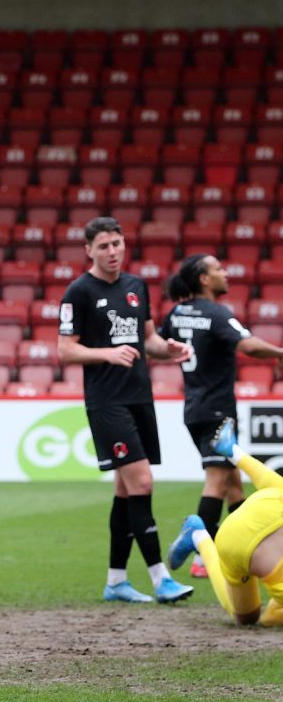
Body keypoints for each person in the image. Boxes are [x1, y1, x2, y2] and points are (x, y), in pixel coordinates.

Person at [57, 216, 194, 604]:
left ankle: (116, 581)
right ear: (89, 250)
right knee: (143, 483)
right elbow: (65, 350)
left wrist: (169, 349)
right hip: (107, 401)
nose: (112, 252)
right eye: (103, 246)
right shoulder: (78, 292)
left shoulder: (136, 286)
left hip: (139, 397)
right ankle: (160, 578)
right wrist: (107, 353)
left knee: (125, 489)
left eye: (116, 243)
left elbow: (147, 339)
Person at [159, 254, 283, 577]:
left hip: (194, 408)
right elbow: (249, 346)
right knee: (217, 480)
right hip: (217, 409)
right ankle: (202, 554)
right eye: (217, 269)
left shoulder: (176, 313)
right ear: (204, 279)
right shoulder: (216, 314)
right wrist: (279, 353)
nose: (225, 273)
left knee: (233, 483)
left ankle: (251, 548)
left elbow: (156, 343)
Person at [167, 419, 283, 626]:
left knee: (278, 487)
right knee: (246, 618)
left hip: (263, 508)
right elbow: (271, 617)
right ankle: (199, 536)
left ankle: (233, 451)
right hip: (240, 540)